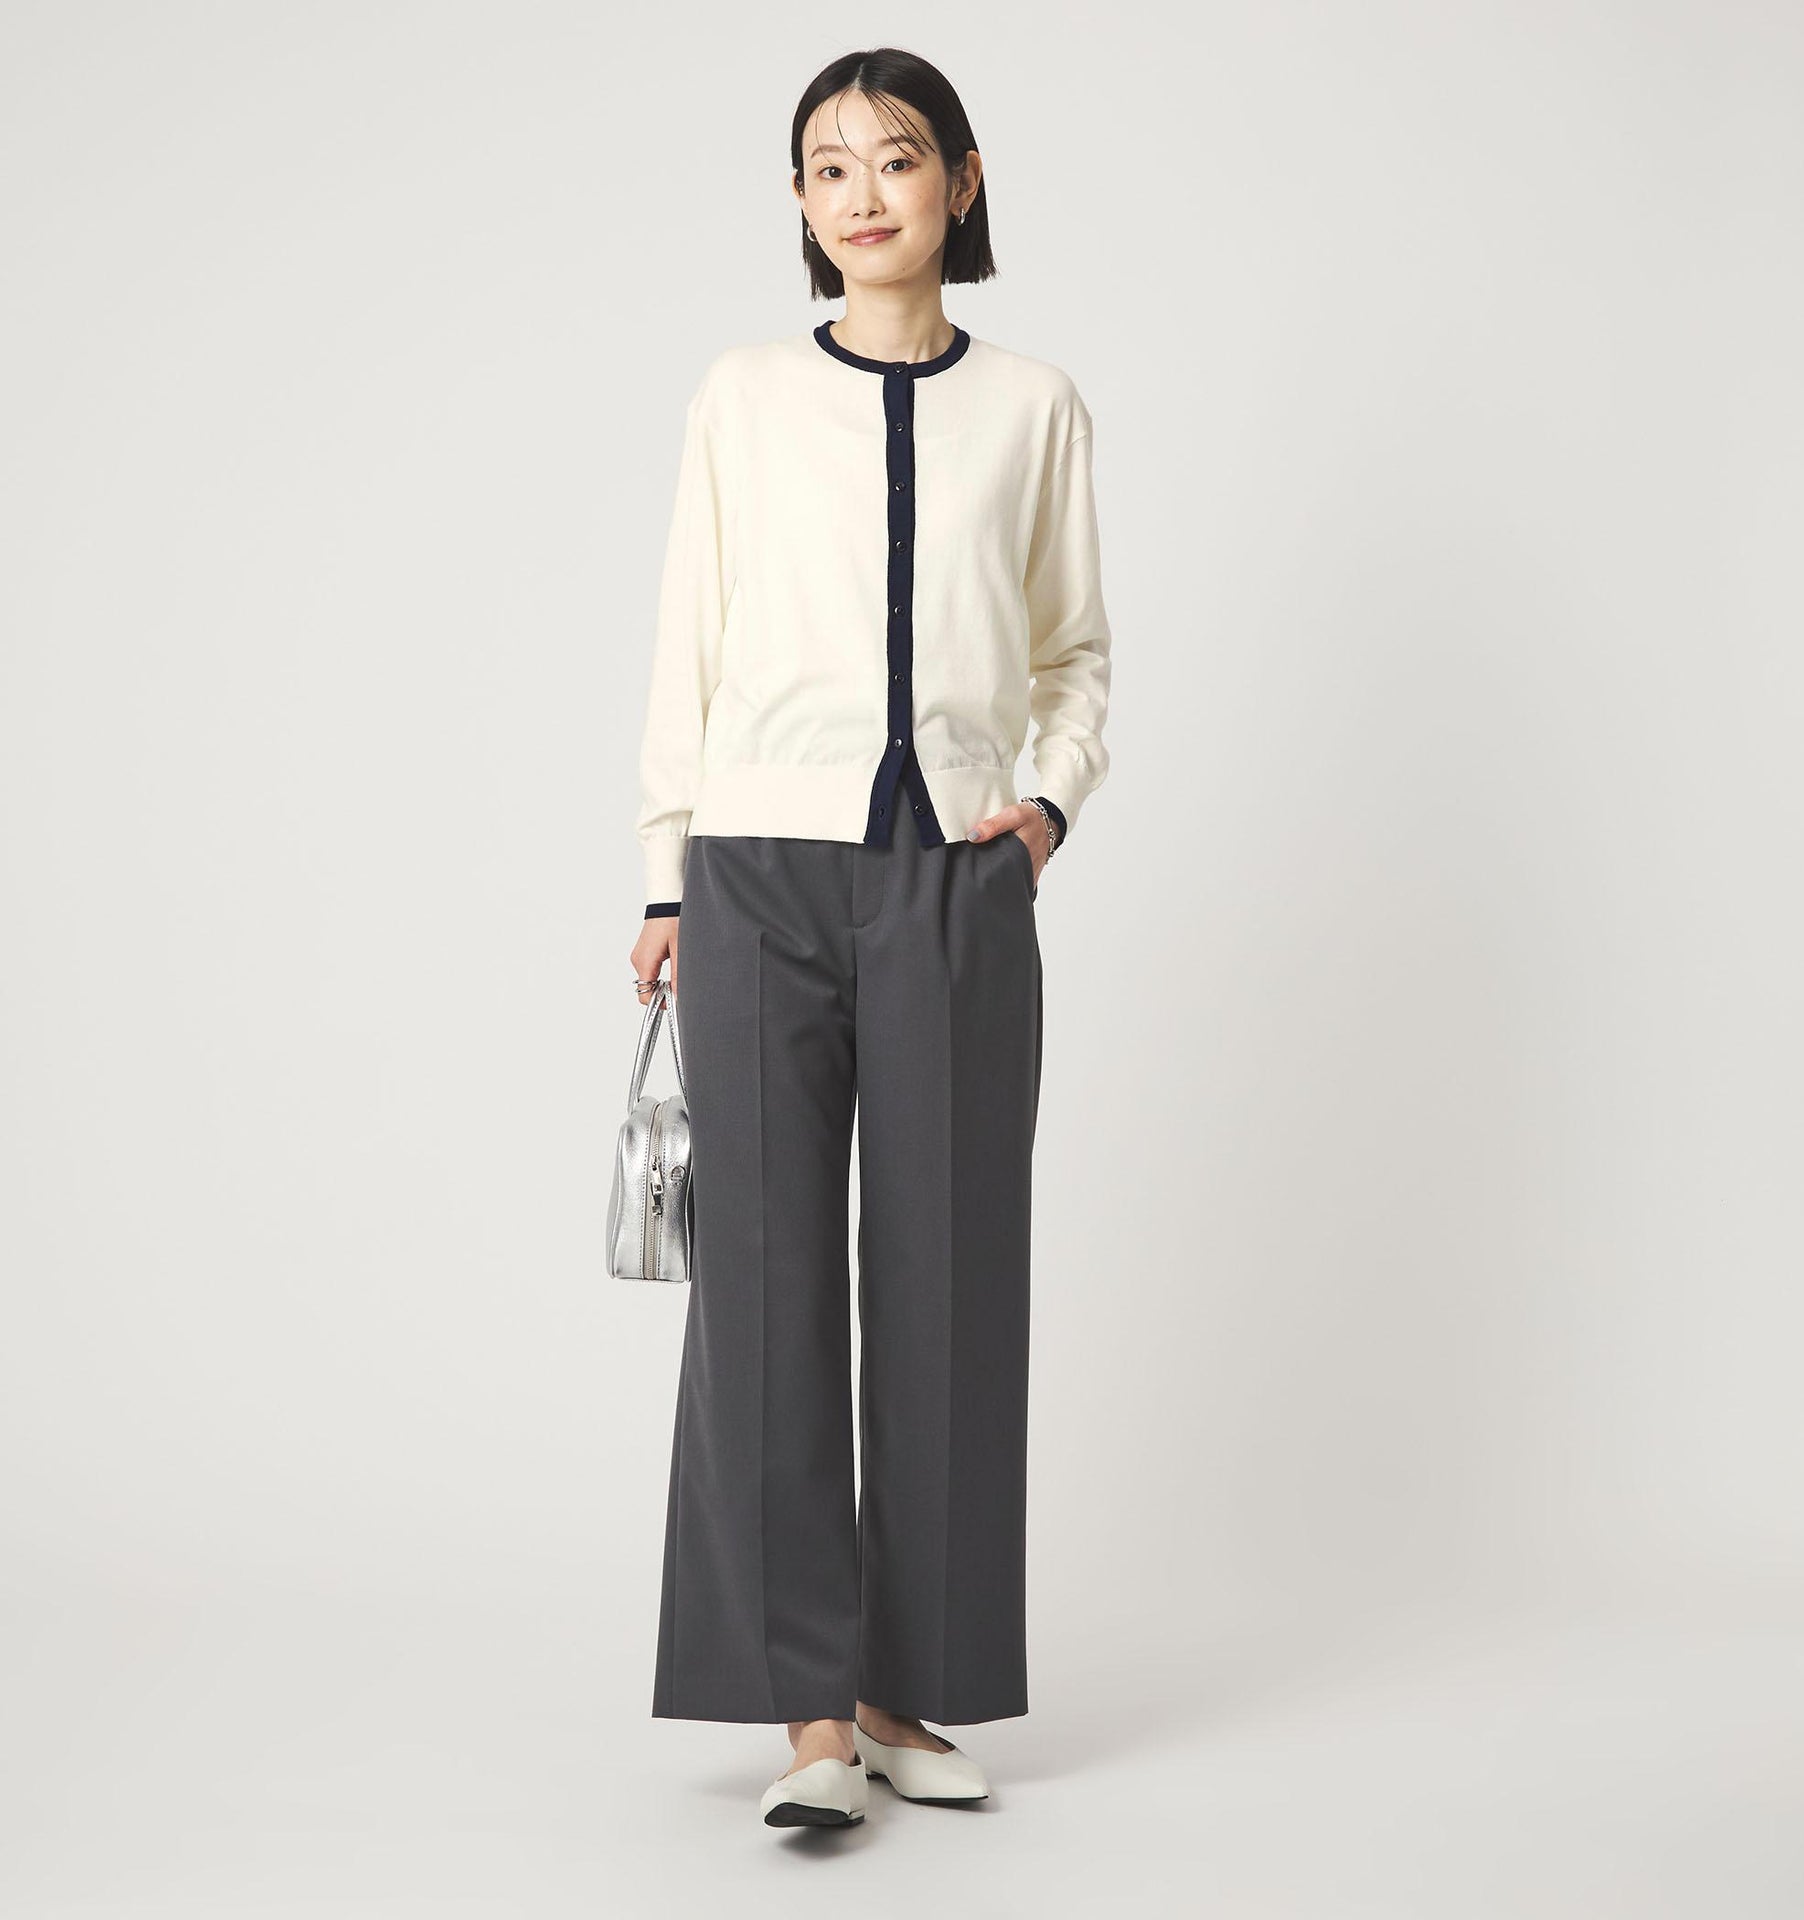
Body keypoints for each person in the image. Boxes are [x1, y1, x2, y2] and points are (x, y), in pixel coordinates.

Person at [628, 46, 1115, 1831]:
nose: (861, 193)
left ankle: (908, 1693)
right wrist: (667, 876)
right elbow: (688, 635)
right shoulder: (745, 396)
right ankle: (809, 1719)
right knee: (763, 1290)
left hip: (954, 880)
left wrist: (1043, 808)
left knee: (951, 1275)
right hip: (758, 871)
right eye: (827, 166)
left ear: (958, 183)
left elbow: (1075, 652)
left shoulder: (1036, 406)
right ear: (799, 202)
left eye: (896, 159)